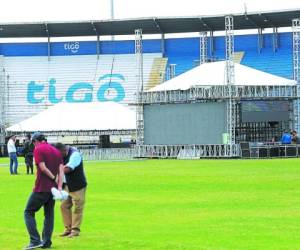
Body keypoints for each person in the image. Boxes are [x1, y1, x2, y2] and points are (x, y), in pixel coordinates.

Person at [23, 133, 64, 250]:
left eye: (33, 142)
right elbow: (61, 171)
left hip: (42, 187)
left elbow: (42, 167)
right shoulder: (56, 151)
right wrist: (59, 186)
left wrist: (52, 178)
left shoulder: (39, 149)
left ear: (36, 141)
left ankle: (35, 240)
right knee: (49, 215)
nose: (33, 145)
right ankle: (46, 243)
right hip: (53, 189)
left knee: (28, 212)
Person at [54, 143, 87, 238]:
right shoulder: (62, 154)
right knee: (64, 206)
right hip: (66, 186)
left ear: (63, 150)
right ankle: (68, 229)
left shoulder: (75, 154)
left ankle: (75, 230)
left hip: (77, 186)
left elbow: (68, 168)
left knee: (78, 207)